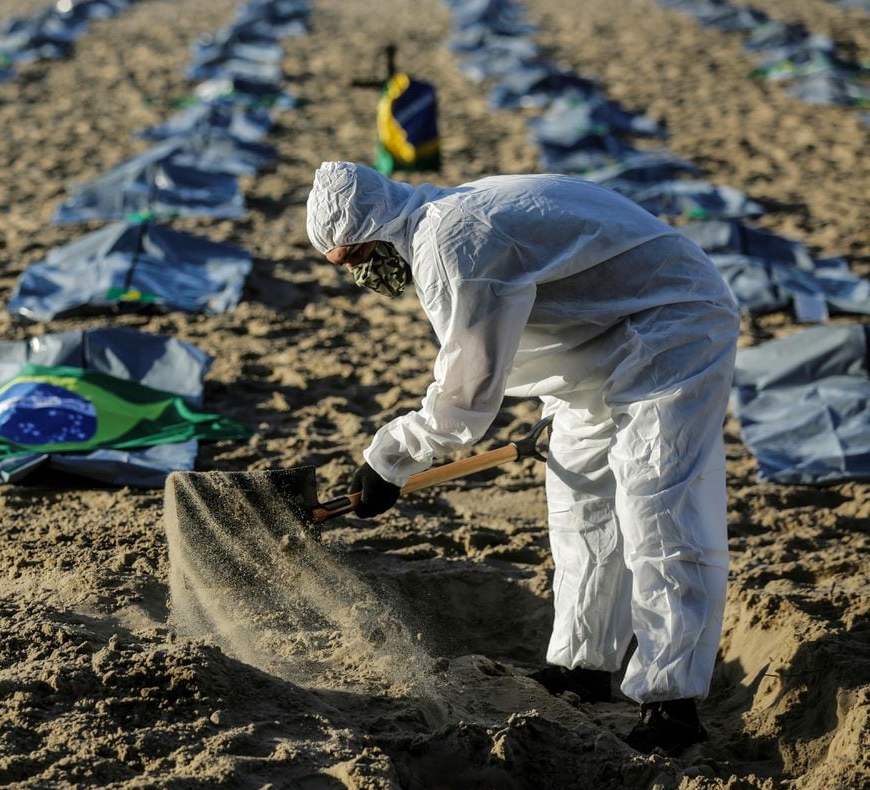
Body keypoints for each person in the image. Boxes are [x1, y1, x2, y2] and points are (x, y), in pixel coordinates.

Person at [306, 161, 739, 756]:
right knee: (580, 499)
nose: (360, 275)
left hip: (674, 323)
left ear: (375, 230)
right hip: (603, 337)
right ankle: (583, 669)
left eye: (355, 259)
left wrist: (388, 462)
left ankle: (673, 704)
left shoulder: (451, 240)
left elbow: (466, 394)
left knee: (656, 504)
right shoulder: (441, 215)